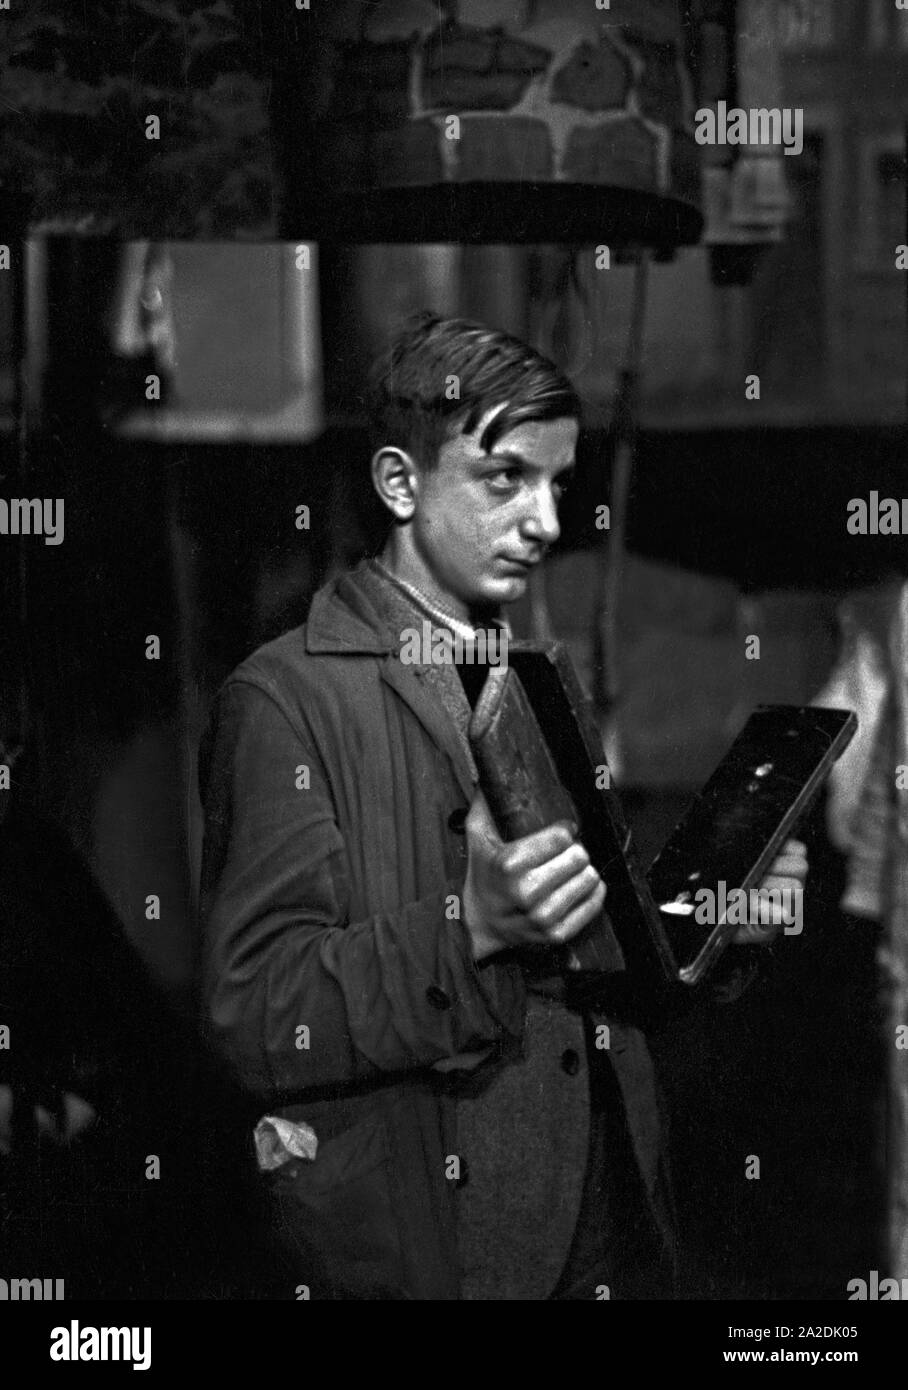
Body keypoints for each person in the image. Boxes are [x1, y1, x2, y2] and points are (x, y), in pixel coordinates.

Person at [198, 312, 808, 1300]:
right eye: (504, 480)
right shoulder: (286, 700)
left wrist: (719, 920)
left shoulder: (524, 670)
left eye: (556, 484)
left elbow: (585, 961)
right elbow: (254, 1015)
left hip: (601, 1197)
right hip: (440, 1236)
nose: (547, 523)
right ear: (398, 484)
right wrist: (466, 930)